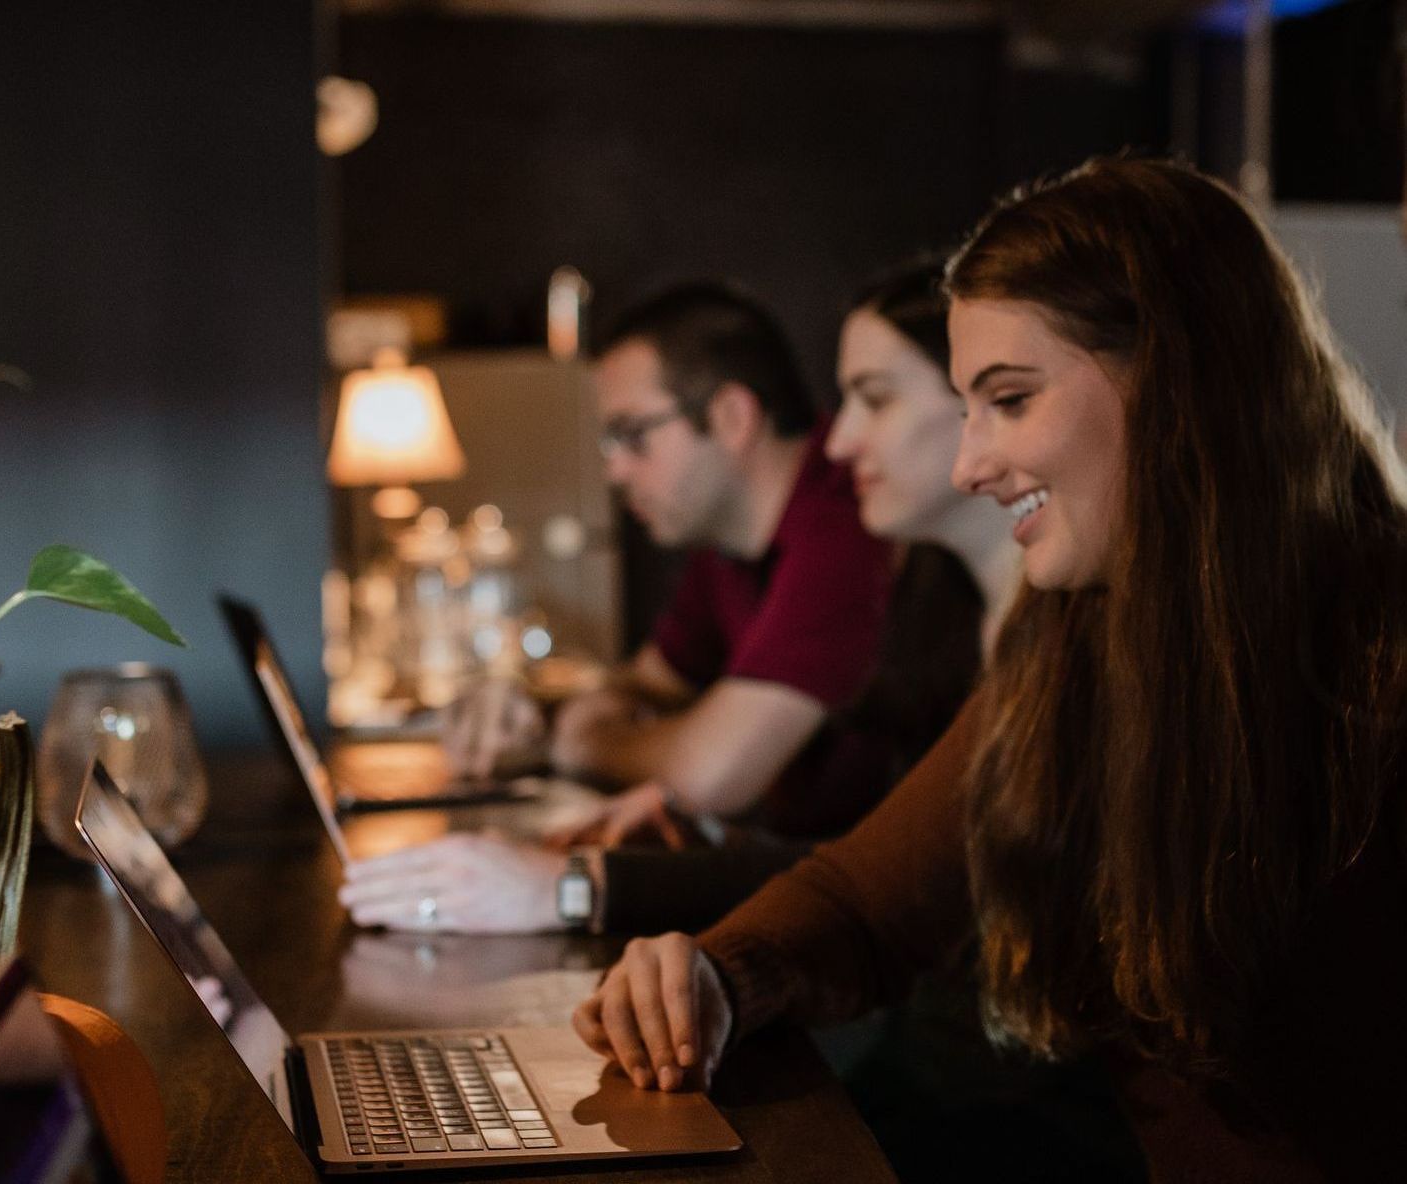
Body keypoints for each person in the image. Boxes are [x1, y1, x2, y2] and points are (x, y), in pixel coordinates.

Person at [573, 156, 1407, 1182]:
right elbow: (869, 896)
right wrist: (712, 973)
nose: (972, 464)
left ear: (1179, 379)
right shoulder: (1070, 636)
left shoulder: (1381, 647)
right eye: (967, 408)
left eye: (1009, 399)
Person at [340, 260, 1022, 935]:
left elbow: (709, 776)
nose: (612, 470)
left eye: (632, 435)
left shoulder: (847, 525)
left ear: (730, 416)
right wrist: (557, 718)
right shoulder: (729, 546)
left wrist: (581, 761)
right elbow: (645, 686)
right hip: (859, 931)